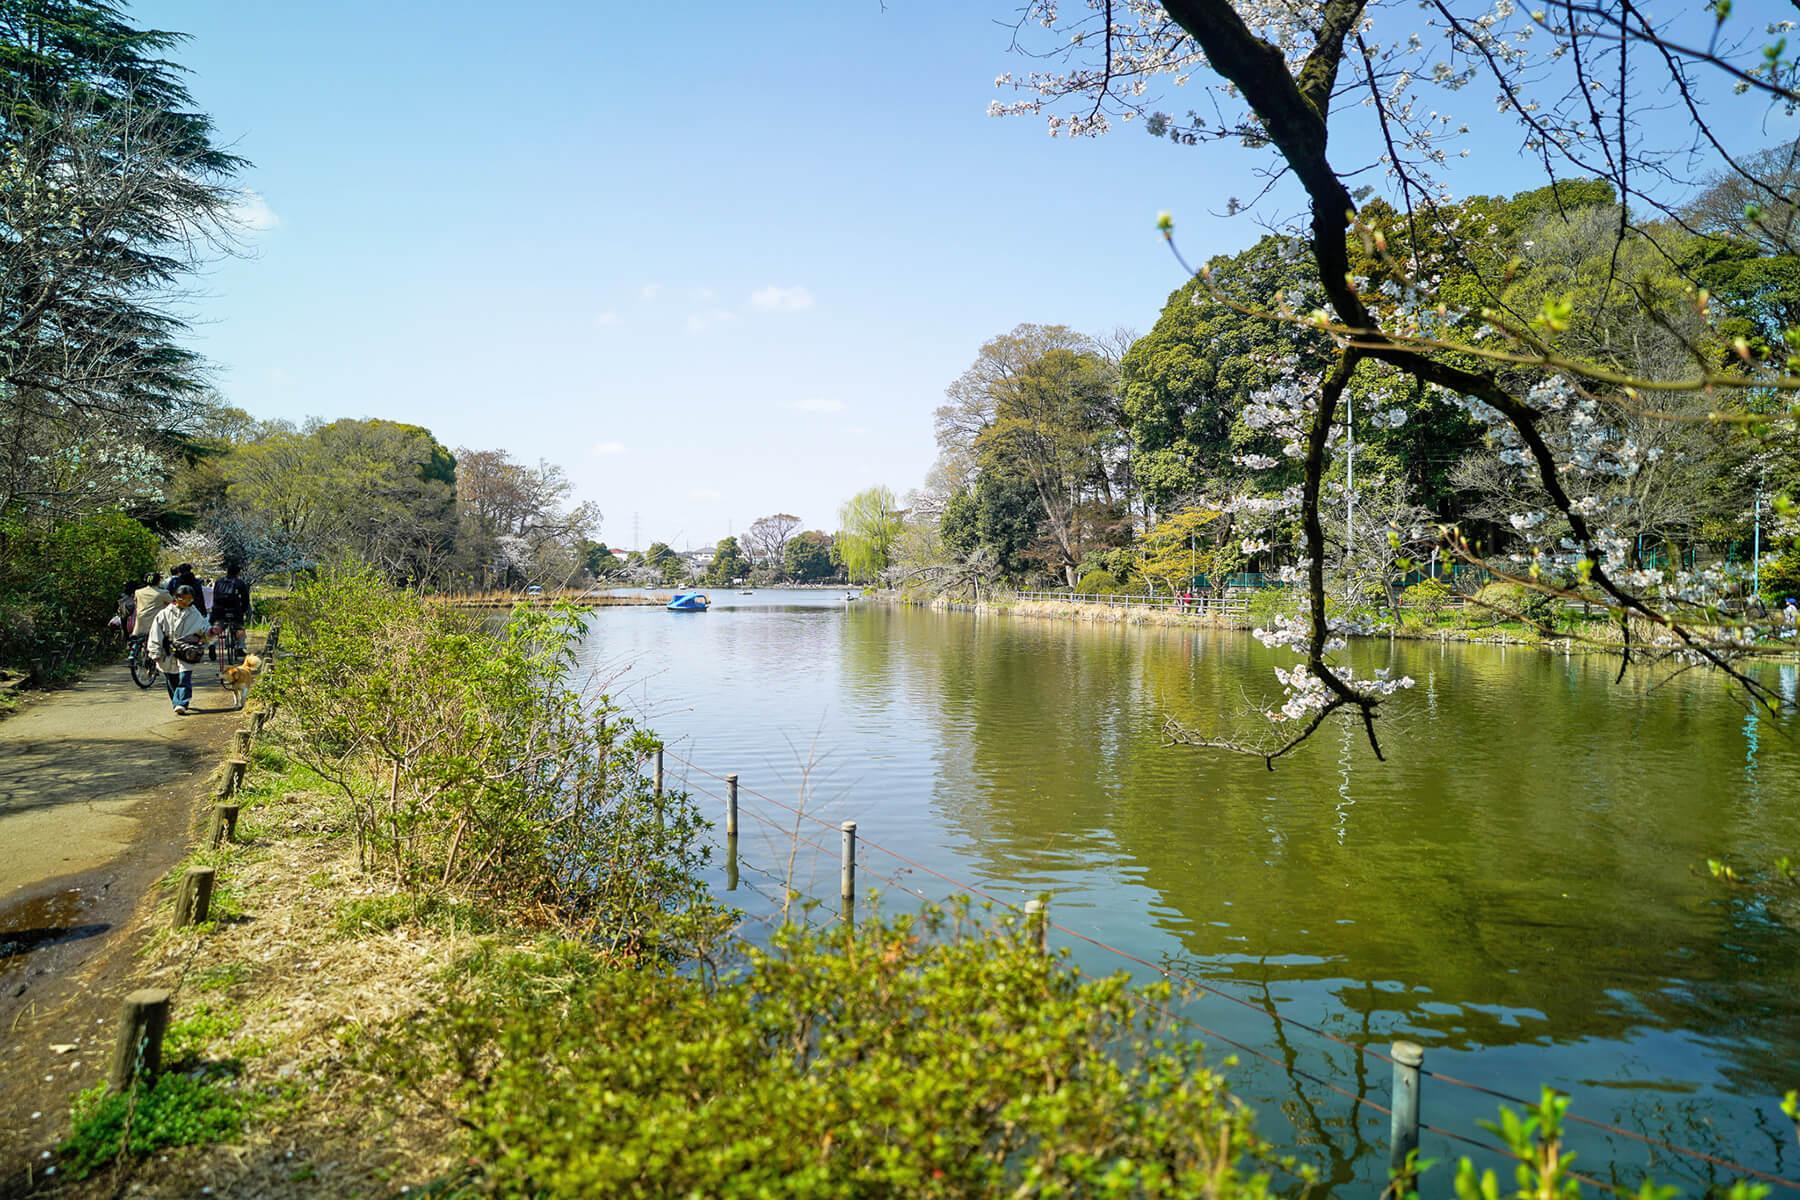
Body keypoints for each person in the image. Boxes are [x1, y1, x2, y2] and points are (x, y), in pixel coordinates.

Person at [146, 584, 210, 714]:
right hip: (167, 651)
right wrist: (155, 651)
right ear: (176, 598)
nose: (186, 602)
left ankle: (181, 702)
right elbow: (155, 633)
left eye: (189, 599)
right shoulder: (164, 614)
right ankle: (176, 700)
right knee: (171, 679)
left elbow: (204, 630)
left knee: (184, 677)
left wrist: (211, 634)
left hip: (187, 650)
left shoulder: (195, 614)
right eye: (183, 599)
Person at [211, 563, 252, 660]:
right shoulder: (239, 582)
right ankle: (240, 648)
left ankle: (212, 644)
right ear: (238, 573)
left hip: (219, 609)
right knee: (239, 627)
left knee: (218, 626)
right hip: (235, 610)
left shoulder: (219, 581)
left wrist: (215, 609)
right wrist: (243, 609)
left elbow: (215, 595)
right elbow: (245, 598)